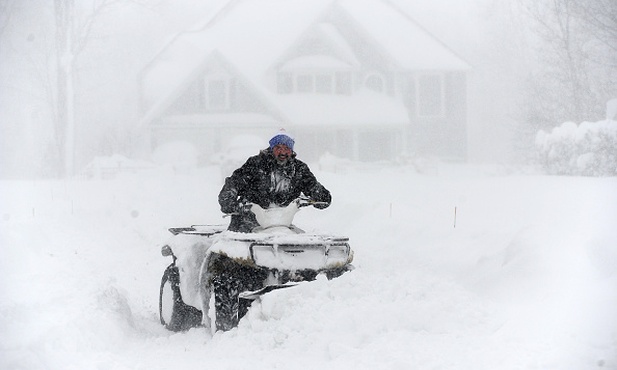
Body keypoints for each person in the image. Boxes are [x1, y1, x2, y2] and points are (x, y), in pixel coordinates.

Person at [218, 130, 331, 232]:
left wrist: (319, 195)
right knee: (237, 250)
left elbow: (311, 185)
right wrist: (230, 201)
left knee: (299, 245)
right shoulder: (256, 164)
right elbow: (234, 183)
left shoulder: (299, 169)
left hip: (281, 224)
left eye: (286, 148)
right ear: (271, 149)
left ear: (291, 151)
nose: (282, 152)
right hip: (248, 223)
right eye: (278, 148)